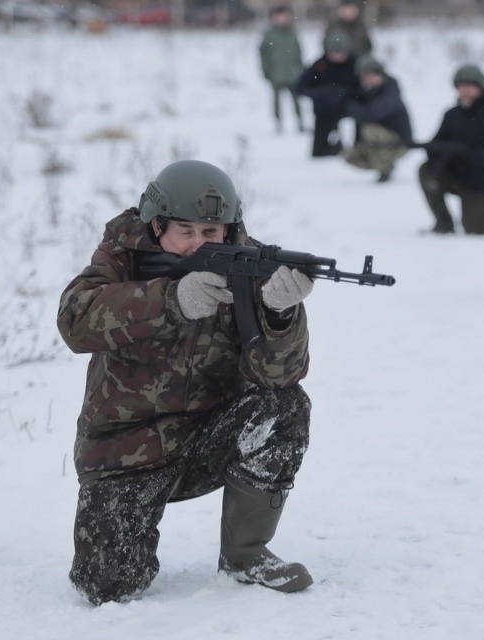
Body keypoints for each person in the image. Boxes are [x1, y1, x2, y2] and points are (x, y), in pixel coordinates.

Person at [57, 160, 316, 604]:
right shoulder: (122, 258)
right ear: (156, 226)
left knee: (284, 406)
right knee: (106, 586)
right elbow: (74, 320)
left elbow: (280, 375)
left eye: (210, 233)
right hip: (124, 454)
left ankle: (245, 554)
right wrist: (171, 299)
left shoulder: (249, 267)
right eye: (186, 231)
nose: (198, 244)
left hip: (206, 440)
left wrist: (278, 313)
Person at [418, 64, 484, 235]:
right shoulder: (452, 115)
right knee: (426, 170)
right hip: (459, 175)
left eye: (469, 87)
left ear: (481, 87)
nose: (465, 91)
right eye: (461, 87)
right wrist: (436, 151)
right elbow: (438, 142)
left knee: (476, 228)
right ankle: (444, 222)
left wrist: (472, 157)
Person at [341, 54, 412, 183]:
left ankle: (384, 168)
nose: (369, 79)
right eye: (365, 76)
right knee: (349, 156)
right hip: (377, 142)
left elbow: (371, 115)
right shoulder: (365, 93)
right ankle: (381, 163)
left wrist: (351, 105)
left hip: (400, 143)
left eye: (372, 75)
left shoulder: (390, 91)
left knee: (370, 129)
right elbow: (359, 120)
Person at [294, 29, 361, 158]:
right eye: (334, 52)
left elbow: (365, 87)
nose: (337, 56)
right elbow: (301, 87)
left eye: (341, 52)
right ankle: (322, 152)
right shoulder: (320, 65)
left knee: (363, 118)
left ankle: (360, 150)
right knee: (319, 148)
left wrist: (347, 93)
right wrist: (322, 94)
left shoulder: (355, 64)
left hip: (349, 106)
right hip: (324, 109)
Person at [258, 5, 304, 134]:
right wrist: (266, 70)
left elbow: (298, 52)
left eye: (284, 16)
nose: (282, 19)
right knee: (276, 101)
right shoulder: (269, 35)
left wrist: (300, 68)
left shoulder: (293, 32)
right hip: (275, 73)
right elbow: (263, 55)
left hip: (292, 74)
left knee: (296, 100)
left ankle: (300, 122)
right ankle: (278, 123)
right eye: (279, 16)